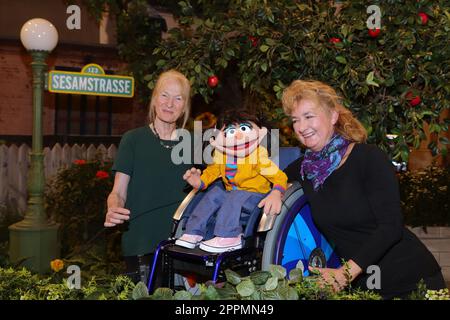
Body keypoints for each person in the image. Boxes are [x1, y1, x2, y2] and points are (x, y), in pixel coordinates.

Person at [281, 79, 446, 299]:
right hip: (365, 286)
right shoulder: (305, 169)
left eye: (309, 116)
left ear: (333, 116)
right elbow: (278, 177)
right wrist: (275, 190)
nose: (301, 127)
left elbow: (391, 227)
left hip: (411, 281)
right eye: (295, 120)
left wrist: (345, 274)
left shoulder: (368, 158)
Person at [104, 69, 192, 284]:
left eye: (178, 98)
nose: (169, 103)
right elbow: (118, 192)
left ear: (183, 108)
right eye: (164, 95)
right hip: (140, 241)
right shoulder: (133, 140)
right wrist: (113, 208)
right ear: (154, 100)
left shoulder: (193, 143)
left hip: (182, 244)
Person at [175, 110, 288, 253]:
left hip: (256, 196)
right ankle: (194, 232)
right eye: (230, 131)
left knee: (235, 195)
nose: (238, 136)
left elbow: (279, 176)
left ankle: (231, 236)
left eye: (244, 129)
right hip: (232, 195)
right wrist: (200, 181)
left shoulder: (258, 156)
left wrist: (276, 192)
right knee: (214, 193)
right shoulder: (222, 155)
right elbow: (213, 171)